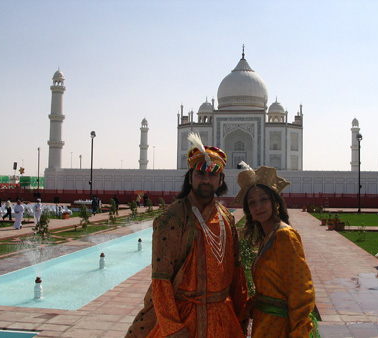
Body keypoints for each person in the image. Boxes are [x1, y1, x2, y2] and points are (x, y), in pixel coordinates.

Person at [126, 132, 248, 338]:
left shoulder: (226, 218)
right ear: (190, 177)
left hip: (222, 317)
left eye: (212, 175)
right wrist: (173, 328)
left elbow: (236, 272)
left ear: (221, 180)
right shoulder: (173, 218)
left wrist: (241, 316)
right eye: (200, 174)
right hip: (183, 318)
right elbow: (161, 279)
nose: (206, 180)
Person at [233, 165, 318, 338]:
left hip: (281, 327)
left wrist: (298, 333)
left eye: (263, 199)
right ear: (248, 210)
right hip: (265, 324)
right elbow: (268, 288)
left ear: (275, 202)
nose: (258, 206)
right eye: (252, 202)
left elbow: (301, 291)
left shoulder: (285, 237)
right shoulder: (268, 237)